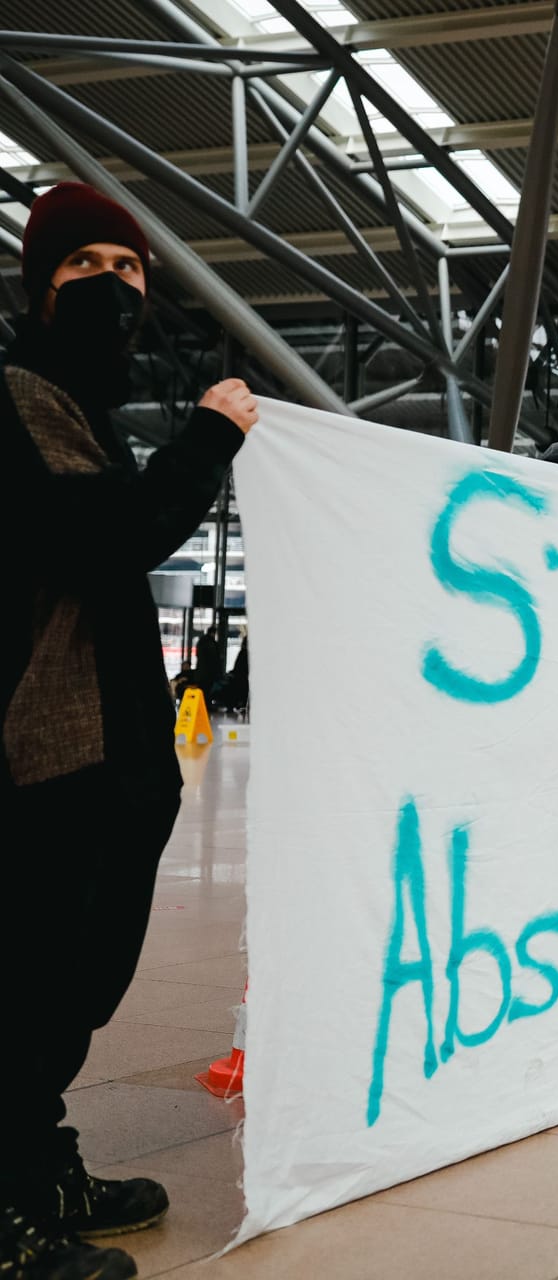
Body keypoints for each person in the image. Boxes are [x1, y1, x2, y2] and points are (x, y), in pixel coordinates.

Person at [2, 182, 259, 1280]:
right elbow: (105, 537)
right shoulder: (18, 392)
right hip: (44, 750)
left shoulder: (78, 402)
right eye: (84, 266)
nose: (114, 285)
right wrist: (208, 439)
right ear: (40, 285)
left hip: (101, 754)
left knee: (70, 983)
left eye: (131, 266)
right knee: (26, 983)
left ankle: (38, 1165)